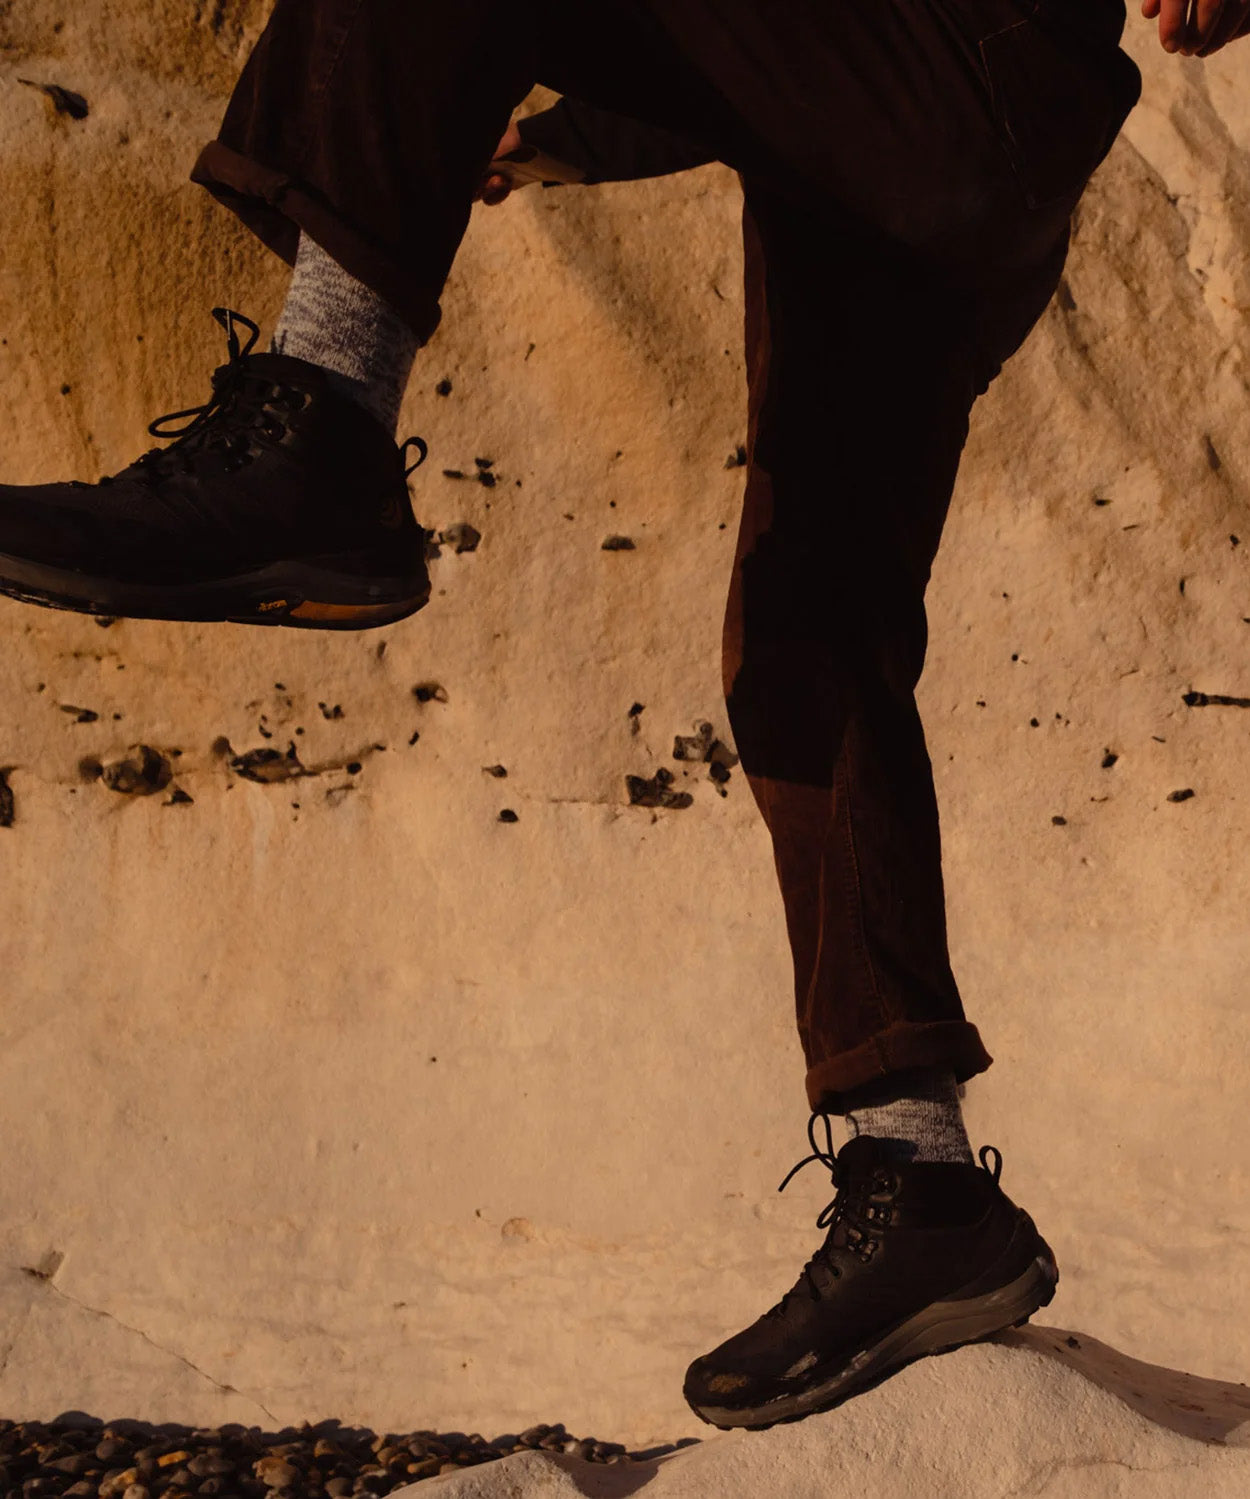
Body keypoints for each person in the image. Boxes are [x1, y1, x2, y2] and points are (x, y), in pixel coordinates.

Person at [0, 0, 1236, 1434]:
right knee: (807, 645)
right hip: (909, 145)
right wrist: (555, 139)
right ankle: (927, 1189)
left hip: (961, 77)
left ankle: (320, 437)